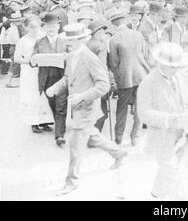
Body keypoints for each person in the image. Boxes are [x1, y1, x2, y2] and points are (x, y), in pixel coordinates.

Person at [46, 23, 128, 196]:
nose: (69, 44)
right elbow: (68, 78)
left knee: (75, 146)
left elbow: (104, 85)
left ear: (81, 40)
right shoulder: (71, 57)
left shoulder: (90, 58)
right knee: (94, 137)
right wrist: (55, 88)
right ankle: (120, 153)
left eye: (72, 41)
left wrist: (82, 96)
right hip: (78, 108)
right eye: (67, 41)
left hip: (87, 108)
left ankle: (71, 182)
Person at [137, 42, 188, 200]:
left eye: (177, 66)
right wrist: (167, 119)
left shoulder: (182, 75)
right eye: (171, 66)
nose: (175, 69)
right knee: (171, 172)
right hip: (162, 135)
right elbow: (143, 113)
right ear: (160, 63)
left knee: (173, 166)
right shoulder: (148, 83)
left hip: (184, 132)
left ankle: (157, 193)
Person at [109, 9, 151, 146]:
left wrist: (117, 77)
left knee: (121, 109)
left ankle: (118, 138)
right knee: (140, 107)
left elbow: (114, 63)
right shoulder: (137, 35)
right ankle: (135, 136)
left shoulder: (114, 39)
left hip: (125, 78)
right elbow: (146, 55)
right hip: (141, 75)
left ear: (115, 24)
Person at [30, 13, 68, 146]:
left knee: (61, 107)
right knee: (53, 105)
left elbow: (73, 58)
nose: (51, 28)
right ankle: (59, 125)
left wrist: (66, 57)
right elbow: (32, 60)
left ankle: (59, 135)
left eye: (53, 25)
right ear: (44, 27)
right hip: (46, 80)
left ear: (58, 26)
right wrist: (33, 59)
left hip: (62, 78)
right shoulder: (40, 42)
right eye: (48, 26)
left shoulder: (65, 41)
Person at [14, 15, 53, 133]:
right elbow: (16, 58)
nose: (35, 29)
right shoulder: (22, 41)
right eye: (31, 27)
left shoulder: (43, 37)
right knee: (32, 96)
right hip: (29, 71)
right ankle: (33, 122)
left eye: (37, 26)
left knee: (43, 95)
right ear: (25, 27)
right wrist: (30, 61)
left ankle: (44, 120)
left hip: (42, 69)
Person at [86, 19, 110, 133]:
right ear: (98, 32)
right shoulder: (101, 46)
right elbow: (102, 66)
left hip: (86, 81)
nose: (104, 34)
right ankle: (95, 135)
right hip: (98, 81)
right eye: (102, 31)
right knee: (103, 112)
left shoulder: (86, 44)